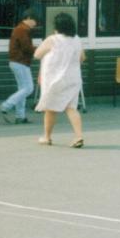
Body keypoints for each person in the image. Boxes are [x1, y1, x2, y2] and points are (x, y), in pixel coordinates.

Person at [35, 13, 86, 148]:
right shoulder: (76, 39)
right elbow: (82, 58)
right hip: (73, 78)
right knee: (71, 108)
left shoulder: (52, 39)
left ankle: (47, 137)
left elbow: (37, 55)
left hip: (54, 79)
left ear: (57, 26)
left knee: (50, 108)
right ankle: (78, 136)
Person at [0, 10, 37, 124]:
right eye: (35, 21)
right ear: (29, 18)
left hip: (16, 61)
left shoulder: (20, 29)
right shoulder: (23, 30)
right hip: (20, 61)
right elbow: (27, 48)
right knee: (28, 88)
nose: (36, 24)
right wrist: (41, 49)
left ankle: (20, 116)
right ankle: (6, 105)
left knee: (22, 89)